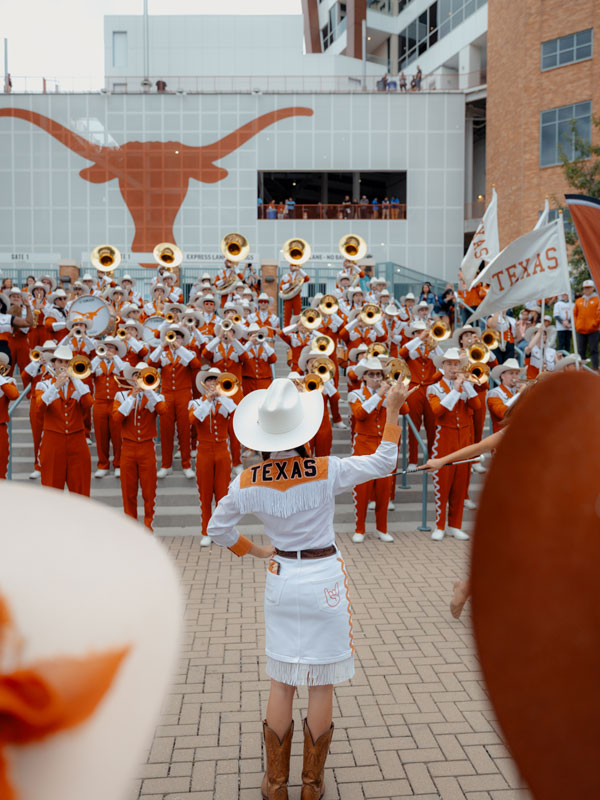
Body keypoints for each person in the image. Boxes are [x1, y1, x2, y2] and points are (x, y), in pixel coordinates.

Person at [207, 377, 410, 800]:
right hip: (322, 578)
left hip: (282, 576)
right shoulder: (326, 468)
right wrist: (391, 410)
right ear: (302, 430)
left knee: (281, 681)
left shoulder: (246, 481)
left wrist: (257, 551)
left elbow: (216, 528)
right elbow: (384, 460)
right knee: (321, 682)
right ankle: (311, 784)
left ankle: (276, 784)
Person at [426, 347, 480, 542]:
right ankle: (439, 525)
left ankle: (455, 525)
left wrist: (465, 386)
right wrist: (456, 389)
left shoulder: (466, 385)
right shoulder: (434, 388)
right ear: (442, 366)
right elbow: (438, 410)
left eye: (456, 363)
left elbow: (477, 406)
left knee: (460, 483)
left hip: (464, 439)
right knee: (443, 483)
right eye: (449, 363)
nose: (453, 367)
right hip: (445, 440)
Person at [113, 362, 166, 532]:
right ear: (131, 378)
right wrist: (132, 396)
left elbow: (163, 410)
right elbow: (116, 418)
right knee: (128, 490)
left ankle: (149, 525)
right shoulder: (121, 396)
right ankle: (131, 527)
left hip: (146, 447)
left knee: (149, 490)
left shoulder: (155, 396)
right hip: (127, 447)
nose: (139, 379)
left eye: (142, 375)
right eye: (136, 375)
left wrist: (149, 392)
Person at [36, 344, 93, 495]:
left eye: (67, 362)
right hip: (53, 442)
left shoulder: (79, 385)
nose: (64, 366)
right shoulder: (43, 385)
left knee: (81, 492)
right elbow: (39, 407)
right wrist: (56, 386)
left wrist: (75, 379)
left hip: (77, 442)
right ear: (53, 363)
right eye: (60, 362)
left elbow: (88, 404)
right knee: (52, 491)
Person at [189, 367, 236, 546]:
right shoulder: (196, 403)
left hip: (222, 450)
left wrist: (221, 397)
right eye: (209, 380)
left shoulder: (226, 402)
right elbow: (193, 420)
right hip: (204, 451)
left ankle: (222, 531)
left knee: (223, 494)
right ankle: (206, 530)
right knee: (205, 493)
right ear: (204, 383)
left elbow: (235, 412)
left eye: (215, 381)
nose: (212, 384)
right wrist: (208, 401)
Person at [0, 352, 19, 478]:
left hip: (0, 428)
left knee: (1, 469)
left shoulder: (8, 381)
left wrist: (0, 379)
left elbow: (14, 395)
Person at [574, 279, 600, 370]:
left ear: (593, 288)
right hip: (580, 330)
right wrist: (577, 324)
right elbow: (574, 314)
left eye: (589, 288)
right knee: (581, 351)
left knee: (594, 350)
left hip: (593, 330)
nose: (587, 290)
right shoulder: (579, 301)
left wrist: (595, 323)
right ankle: (582, 369)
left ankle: (595, 368)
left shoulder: (598, 299)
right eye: (585, 288)